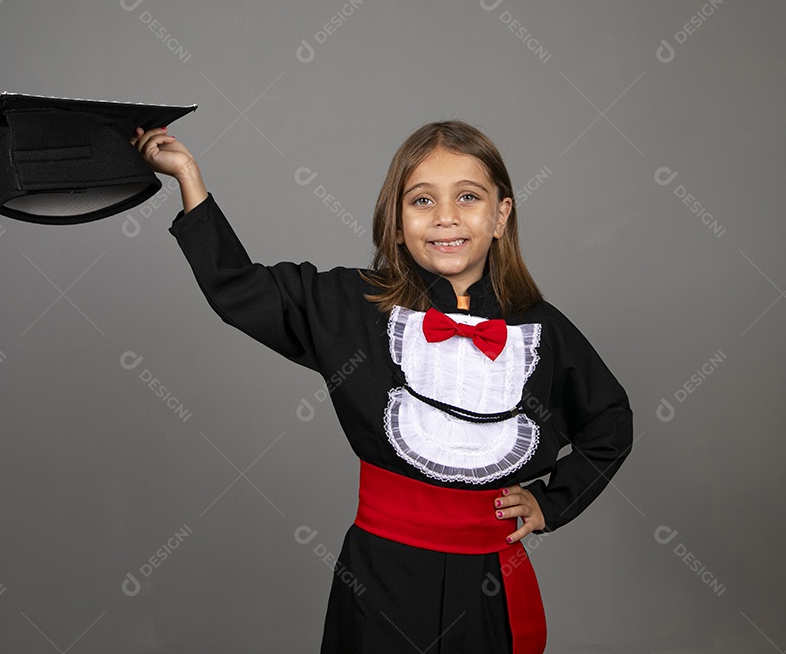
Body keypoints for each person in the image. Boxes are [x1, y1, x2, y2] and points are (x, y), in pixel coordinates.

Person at [131, 120, 634, 654]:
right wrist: (188, 176)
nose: (446, 217)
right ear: (395, 223)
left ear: (501, 215)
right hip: (381, 575)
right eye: (421, 201)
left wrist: (549, 504)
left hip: (489, 579)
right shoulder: (351, 307)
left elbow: (610, 421)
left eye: (468, 197)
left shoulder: (543, 329)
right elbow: (241, 289)